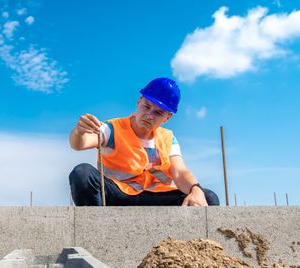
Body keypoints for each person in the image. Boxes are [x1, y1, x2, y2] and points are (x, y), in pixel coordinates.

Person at [69, 77, 219, 206]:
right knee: (82, 173)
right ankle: (94, 231)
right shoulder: (113, 128)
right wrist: (79, 132)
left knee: (207, 198)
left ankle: (183, 240)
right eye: (146, 106)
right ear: (139, 101)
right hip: (116, 194)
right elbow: (79, 144)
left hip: (154, 198)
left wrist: (195, 189)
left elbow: (179, 172)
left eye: (158, 113)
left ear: (167, 117)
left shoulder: (168, 139)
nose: (149, 115)